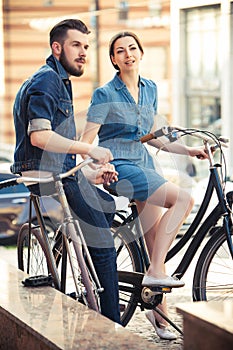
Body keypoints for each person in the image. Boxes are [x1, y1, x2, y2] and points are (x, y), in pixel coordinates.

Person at [80, 31, 209, 339]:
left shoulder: (149, 88)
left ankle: (158, 315)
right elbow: (88, 139)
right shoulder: (104, 94)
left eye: (132, 48)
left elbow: (155, 137)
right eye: (120, 51)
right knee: (184, 200)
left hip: (145, 163)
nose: (128, 54)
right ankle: (154, 274)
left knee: (155, 247)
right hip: (120, 164)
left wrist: (189, 150)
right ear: (113, 59)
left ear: (140, 53)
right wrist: (95, 165)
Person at [10, 19, 121, 324]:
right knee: (103, 244)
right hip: (44, 177)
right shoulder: (47, 81)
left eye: (86, 46)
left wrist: (84, 172)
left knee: (108, 206)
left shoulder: (58, 80)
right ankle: (112, 324)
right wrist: (88, 149)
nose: (83, 52)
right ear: (56, 48)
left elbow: (51, 153)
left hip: (55, 173)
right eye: (76, 45)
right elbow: (39, 136)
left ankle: (78, 252)